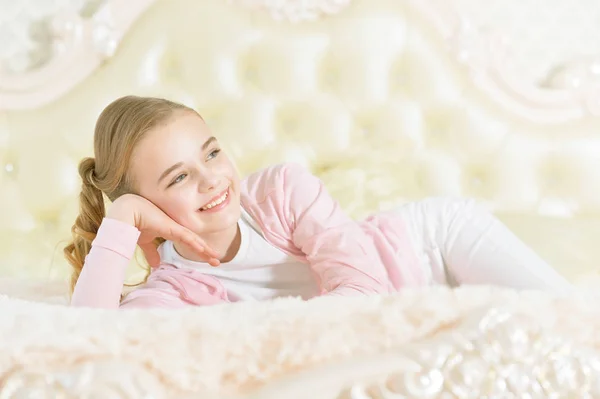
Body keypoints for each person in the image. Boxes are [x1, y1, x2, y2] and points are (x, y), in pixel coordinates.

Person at [65, 95, 573, 309]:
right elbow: (90, 339)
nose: (212, 179)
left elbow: (365, 289)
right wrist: (122, 220)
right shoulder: (173, 288)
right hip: (400, 301)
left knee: (570, 318)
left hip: (432, 245)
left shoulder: (282, 191)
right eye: (179, 177)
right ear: (145, 207)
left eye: (213, 152)